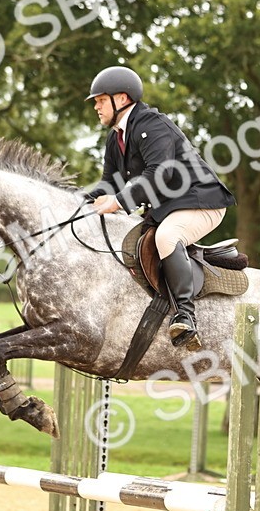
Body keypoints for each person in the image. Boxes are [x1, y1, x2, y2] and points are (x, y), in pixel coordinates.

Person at [83, 65, 236, 350]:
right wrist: (75, 202)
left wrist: (117, 202)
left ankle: (186, 317)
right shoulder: (115, 139)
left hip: (201, 200)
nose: (97, 107)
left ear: (123, 99)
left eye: (101, 100)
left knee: (168, 237)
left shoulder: (152, 125)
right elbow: (108, 183)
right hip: (168, 207)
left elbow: (159, 174)